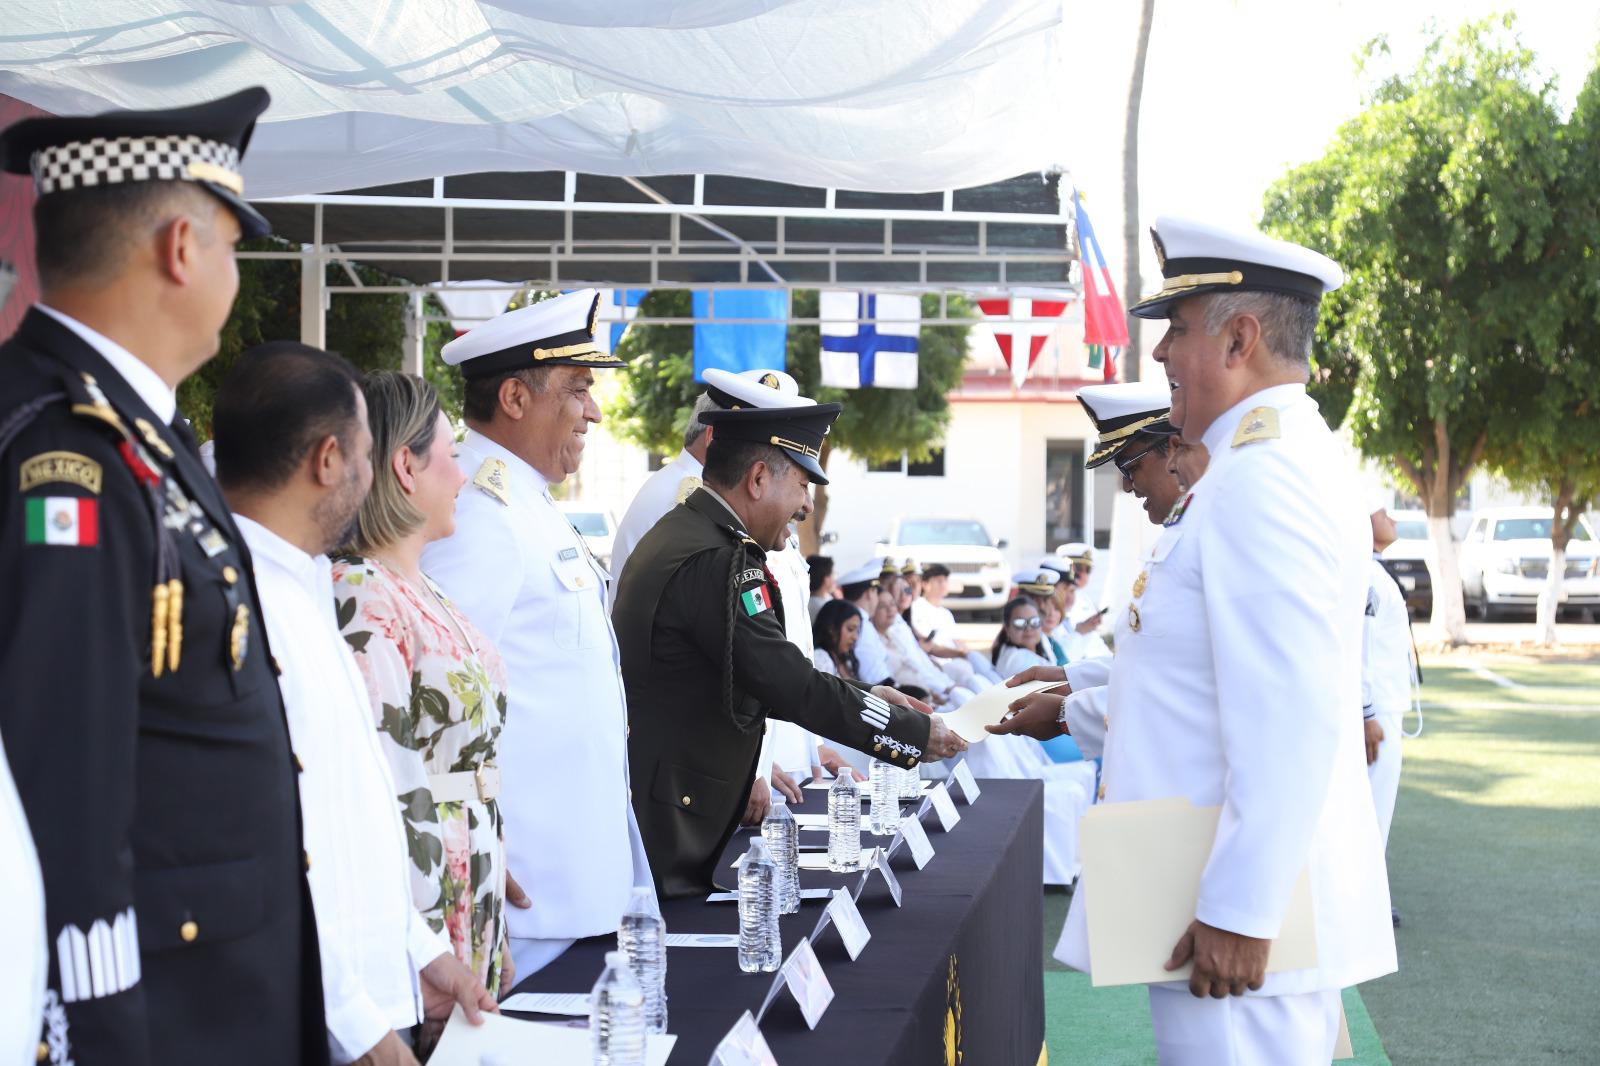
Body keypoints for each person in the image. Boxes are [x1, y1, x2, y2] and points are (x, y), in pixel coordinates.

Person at [994, 216, 1395, 1063]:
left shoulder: (1262, 480)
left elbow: (1288, 710)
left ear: (1240, 338)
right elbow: (1196, 682)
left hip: (1234, 915)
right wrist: (1076, 709)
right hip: (1199, 882)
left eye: (1177, 330)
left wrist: (1243, 909)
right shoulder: (1265, 463)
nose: (1163, 355)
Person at [0, 90, 327, 1065]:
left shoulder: (133, 427)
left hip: (214, 980)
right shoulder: (70, 450)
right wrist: (105, 1029)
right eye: (233, 244)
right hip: (163, 1007)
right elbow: (69, 774)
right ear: (183, 246)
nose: (233, 271)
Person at [215, 344, 496, 1066]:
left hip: (372, 994)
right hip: (325, 1017)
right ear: (330, 460)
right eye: (370, 454)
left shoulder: (303, 584)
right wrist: (358, 1024)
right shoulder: (245, 607)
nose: (375, 476)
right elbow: (273, 844)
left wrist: (423, 948)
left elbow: (364, 803)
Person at [611, 398, 966, 897]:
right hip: (677, 811)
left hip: (674, 797)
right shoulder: (717, 560)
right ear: (758, 479)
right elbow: (786, 682)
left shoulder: (688, 535)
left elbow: (771, 676)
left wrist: (873, 700)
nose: (805, 505)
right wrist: (909, 732)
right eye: (802, 485)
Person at [420, 290, 652, 980]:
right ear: (516, 398)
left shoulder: (529, 506)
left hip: (575, 884)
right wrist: (467, 858)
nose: (596, 410)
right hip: (525, 897)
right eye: (578, 390)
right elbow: (436, 708)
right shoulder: (482, 516)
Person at [329, 372, 518, 1010]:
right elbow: (390, 778)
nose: (464, 476)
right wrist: (426, 942)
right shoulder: (362, 591)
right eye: (450, 455)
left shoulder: (421, 589)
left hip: (470, 887)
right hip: (423, 904)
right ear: (405, 467)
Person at [609, 367, 810, 590]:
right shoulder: (684, 503)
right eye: (769, 448)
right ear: (715, 436)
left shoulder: (731, 503)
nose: (776, 465)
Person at [1363, 506, 1415, 920]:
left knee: (1375, 810)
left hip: (1383, 706)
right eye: (1384, 511)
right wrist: (1366, 712)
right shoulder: (1365, 573)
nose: (1393, 518)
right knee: (1372, 811)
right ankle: (1365, 903)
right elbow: (1359, 648)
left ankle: (1367, 896)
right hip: (1376, 711)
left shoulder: (1370, 571)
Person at [836, 561, 895, 685]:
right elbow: (875, 675)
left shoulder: (861, 622)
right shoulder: (861, 625)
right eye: (875, 592)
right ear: (869, 593)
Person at [812, 598, 864, 679]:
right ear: (831, 629)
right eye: (850, 629)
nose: (855, 637)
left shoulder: (846, 659)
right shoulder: (820, 658)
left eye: (857, 631)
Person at [807, 554, 837, 621]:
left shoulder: (807, 601)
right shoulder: (824, 607)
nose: (835, 579)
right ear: (826, 579)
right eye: (833, 574)